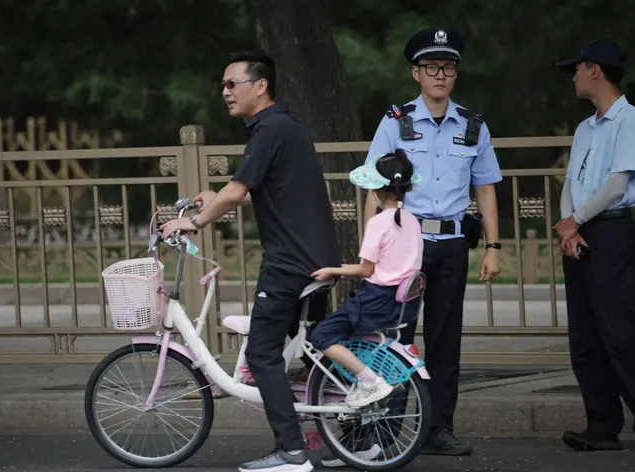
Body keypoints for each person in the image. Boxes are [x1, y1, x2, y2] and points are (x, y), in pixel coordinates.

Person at [328, 27, 503, 464]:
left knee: (446, 340)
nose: (440, 75)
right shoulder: (396, 121)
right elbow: (374, 187)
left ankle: (438, 428)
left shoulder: (473, 126)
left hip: (452, 243)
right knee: (391, 337)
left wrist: (495, 246)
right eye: (431, 67)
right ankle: (382, 429)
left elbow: (485, 189)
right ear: (416, 74)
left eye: (447, 67)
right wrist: (374, 248)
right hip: (406, 245)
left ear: (456, 74)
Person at [159, 50, 340, 472]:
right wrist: (214, 196)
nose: (224, 92)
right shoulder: (284, 126)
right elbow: (254, 184)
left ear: (260, 86)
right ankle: (359, 438)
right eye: (222, 86)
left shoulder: (268, 129)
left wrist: (192, 222)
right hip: (315, 257)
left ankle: (292, 453)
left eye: (231, 84)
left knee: (261, 354)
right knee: (315, 352)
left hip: (290, 262)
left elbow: (240, 192)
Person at [553, 39, 635, 455]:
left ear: (595, 70)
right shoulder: (585, 127)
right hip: (580, 233)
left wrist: (578, 220)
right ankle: (602, 426)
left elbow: (618, 183)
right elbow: (571, 183)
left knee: (619, 335)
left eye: (576, 68)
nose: (572, 76)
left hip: (611, 234)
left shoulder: (632, 122)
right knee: (586, 339)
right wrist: (567, 227)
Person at [310, 149, 423, 408]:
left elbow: (366, 270)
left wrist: (331, 270)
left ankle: (368, 380)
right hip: (402, 303)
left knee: (321, 335)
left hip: (375, 300)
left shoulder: (378, 223)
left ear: (376, 190)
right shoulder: (413, 220)